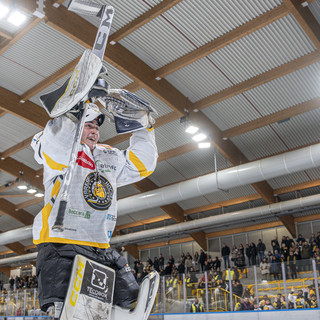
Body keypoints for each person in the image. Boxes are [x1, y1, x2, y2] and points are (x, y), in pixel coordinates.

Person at [31, 104, 158, 315]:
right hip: (60, 244)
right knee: (64, 310)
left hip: (100, 246)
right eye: (88, 126)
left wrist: (143, 126)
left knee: (129, 300)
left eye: (97, 127)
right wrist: (72, 109)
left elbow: (142, 164)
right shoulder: (60, 154)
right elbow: (55, 140)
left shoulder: (108, 155)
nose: (94, 131)